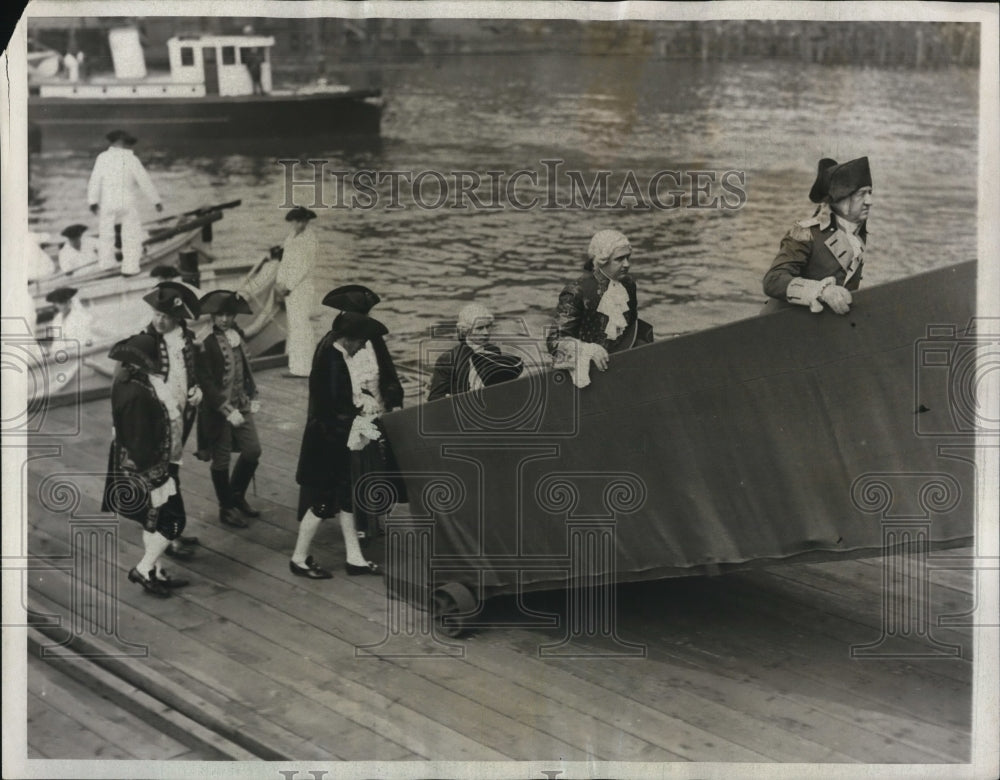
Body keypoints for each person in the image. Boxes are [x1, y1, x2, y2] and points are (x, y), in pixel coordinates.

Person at [290, 311, 389, 579]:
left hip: (337, 440)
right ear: (349, 339)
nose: (361, 348)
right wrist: (370, 427)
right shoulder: (333, 361)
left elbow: (344, 401)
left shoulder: (336, 351)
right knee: (323, 502)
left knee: (346, 498)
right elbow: (336, 410)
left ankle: (354, 558)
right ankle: (298, 558)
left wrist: (362, 406)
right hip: (327, 442)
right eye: (360, 342)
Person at [313, 285, 407, 543]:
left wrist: (392, 398)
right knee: (355, 466)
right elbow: (335, 388)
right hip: (352, 414)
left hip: (377, 406)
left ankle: (374, 518)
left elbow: (387, 371)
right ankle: (357, 523)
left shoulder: (373, 338)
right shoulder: (334, 347)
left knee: (378, 463)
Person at [102, 333, 189, 597]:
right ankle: (144, 567)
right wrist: (159, 475)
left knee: (150, 521)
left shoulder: (125, 382)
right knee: (174, 522)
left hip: (129, 463)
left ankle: (155, 572)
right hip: (147, 468)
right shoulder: (139, 393)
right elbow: (141, 439)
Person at [138, 282, 203, 559]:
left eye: (164, 316)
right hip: (158, 420)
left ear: (177, 317)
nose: (159, 320)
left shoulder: (185, 338)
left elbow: (190, 370)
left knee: (172, 472)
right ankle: (168, 532)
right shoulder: (146, 341)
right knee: (164, 476)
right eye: (156, 314)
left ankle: (171, 529)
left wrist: (196, 389)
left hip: (182, 417)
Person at [761, 156, 873, 315]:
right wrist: (822, 291)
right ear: (842, 199)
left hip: (824, 327)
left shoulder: (858, 235)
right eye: (862, 194)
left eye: (870, 192)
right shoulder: (804, 232)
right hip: (781, 325)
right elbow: (773, 280)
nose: (869, 201)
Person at [547, 229, 651, 387]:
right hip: (587, 371)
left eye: (628, 258)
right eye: (620, 259)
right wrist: (587, 350)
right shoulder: (576, 291)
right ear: (603, 260)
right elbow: (554, 341)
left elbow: (632, 328)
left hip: (621, 362)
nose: (627, 264)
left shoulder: (628, 284)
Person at [195, 290, 262, 530]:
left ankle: (236, 495)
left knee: (253, 451)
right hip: (217, 410)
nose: (224, 319)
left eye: (229, 314)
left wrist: (253, 393)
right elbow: (206, 382)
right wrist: (225, 408)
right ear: (212, 316)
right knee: (221, 458)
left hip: (241, 403)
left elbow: (245, 368)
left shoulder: (238, 335)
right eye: (220, 315)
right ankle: (226, 508)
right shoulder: (205, 342)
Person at [87, 129, 164, 276]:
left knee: (106, 233)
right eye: (128, 143)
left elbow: (95, 180)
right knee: (131, 234)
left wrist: (93, 201)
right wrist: (156, 201)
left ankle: (106, 264)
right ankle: (130, 267)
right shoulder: (131, 159)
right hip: (126, 201)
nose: (130, 146)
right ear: (122, 142)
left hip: (108, 201)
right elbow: (144, 181)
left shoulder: (102, 158)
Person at [427, 302, 524, 402]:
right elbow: (434, 399)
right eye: (480, 328)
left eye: (488, 326)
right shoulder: (447, 359)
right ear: (466, 330)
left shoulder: (493, 351)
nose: (486, 333)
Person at [276, 206, 319, 377]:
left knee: (302, 325)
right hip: (290, 289)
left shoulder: (310, 240)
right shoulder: (291, 237)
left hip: (301, 288)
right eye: (296, 221)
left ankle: (305, 367)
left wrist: (289, 286)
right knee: (294, 325)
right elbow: (285, 262)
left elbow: (304, 267)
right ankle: (295, 365)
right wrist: (280, 282)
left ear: (306, 222)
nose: (298, 224)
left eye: (302, 221)